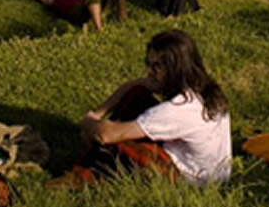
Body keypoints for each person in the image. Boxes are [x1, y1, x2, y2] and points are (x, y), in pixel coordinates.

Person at [77, 29, 232, 185]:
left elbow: (107, 134)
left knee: (116, 148)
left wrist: (88, 121)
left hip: (189, 178)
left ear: (174, 68)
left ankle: (84, 173)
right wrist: (98, 114)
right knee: (137, 95)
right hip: (211, 170)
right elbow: (137, 85)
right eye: (148, 65)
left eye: (156, 67)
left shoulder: (178, 108)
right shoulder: (205, 89)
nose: (150, 73)